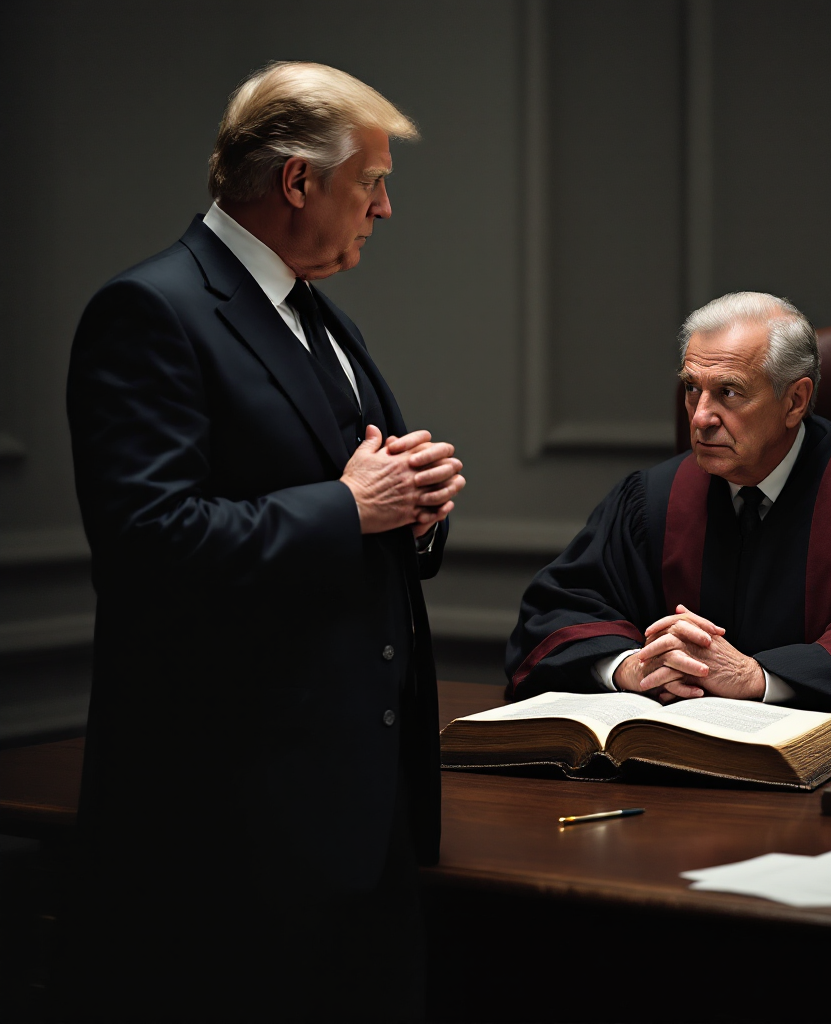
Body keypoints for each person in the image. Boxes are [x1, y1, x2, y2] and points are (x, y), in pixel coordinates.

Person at [62, 62, 464, 1021]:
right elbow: (145, 544)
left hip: (362, 817)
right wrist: (349, 506)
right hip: (228, 829)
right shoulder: (149, 312)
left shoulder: (323, 314)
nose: (385, 208)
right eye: (372, 181)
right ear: (298, 182)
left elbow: (364, 511)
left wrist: (418, 508)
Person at [506, 292, 831, 731]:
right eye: (690, 388)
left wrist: (759, 679)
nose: (700, 417)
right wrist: (630, 666)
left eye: (728, 392)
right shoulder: (651, 499)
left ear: (795, 402)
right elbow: (556, 614)